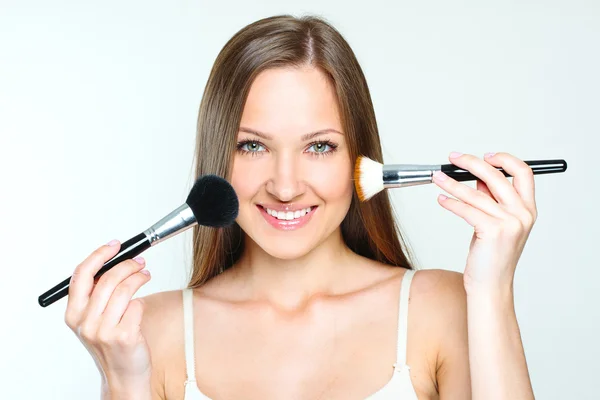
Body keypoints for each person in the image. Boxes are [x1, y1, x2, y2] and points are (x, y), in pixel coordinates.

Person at [64, 15, 536, 400]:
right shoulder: (150, 332)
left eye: (319, 147)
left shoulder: (442, 307)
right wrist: (123, 382)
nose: (285, 187)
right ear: (217, 159)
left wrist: (493, 290)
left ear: (360, 156)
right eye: (252, 147)